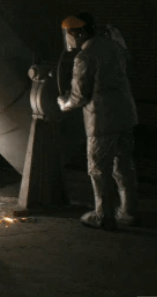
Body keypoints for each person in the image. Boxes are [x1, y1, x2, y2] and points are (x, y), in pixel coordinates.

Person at [57, 15, 140, 230]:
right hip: (125, 115)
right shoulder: (114, 47)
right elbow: (130, 72)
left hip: (102, 121)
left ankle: (103, 216)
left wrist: (62, 103)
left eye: (69, 34)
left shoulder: (84, 57)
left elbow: (79, 97)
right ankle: (129, 212)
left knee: (98, 170)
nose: (68, 39)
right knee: (124, 166)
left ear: (78, 33)